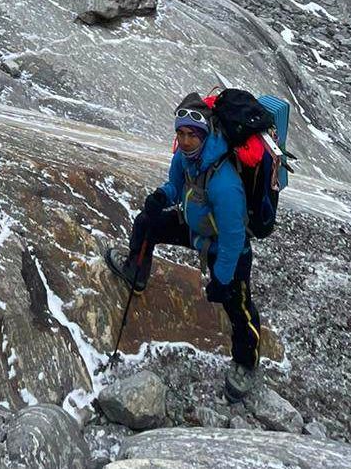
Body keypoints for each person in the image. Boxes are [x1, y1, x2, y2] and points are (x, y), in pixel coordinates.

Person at [105, 91, 262, 400]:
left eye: (192, 134)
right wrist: (162, 196)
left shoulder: (225, 183)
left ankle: (246, 363)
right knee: (147, 224)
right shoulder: (184, 157)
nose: (186, 140)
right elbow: (177, 186)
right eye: (181, 133)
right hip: (196, 227)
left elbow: (234, 239)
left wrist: (222, 278)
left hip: (225, 247)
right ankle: (135, 272)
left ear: (204, 135)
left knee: (237, 305)